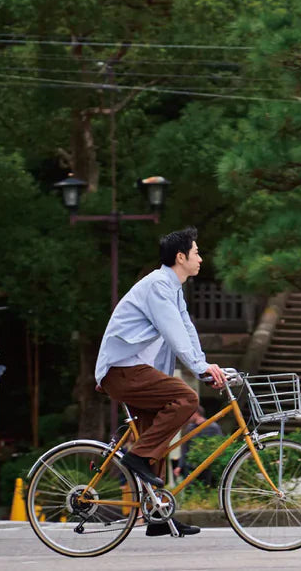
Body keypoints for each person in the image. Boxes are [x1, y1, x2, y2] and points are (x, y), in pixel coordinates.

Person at [94, 226, 228, 538]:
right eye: (196, 253)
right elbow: (174, 334)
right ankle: (137, 457)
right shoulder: (158, 286)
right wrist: (199, 368)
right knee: (186, 400)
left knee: (158, 440)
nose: (200, 259)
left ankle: (157, 516)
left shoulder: (172, 288)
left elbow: (188, 331)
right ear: (181, 257)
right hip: (122, 369)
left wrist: (204, 367)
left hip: (134, 370)